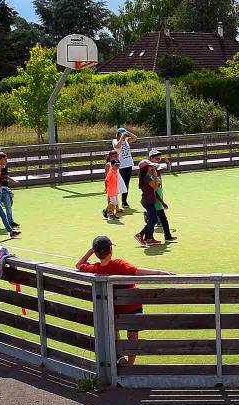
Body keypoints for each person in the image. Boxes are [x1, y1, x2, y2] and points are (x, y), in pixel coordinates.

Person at [75, 235, 173, 366]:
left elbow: (78, 265)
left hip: (113, 311)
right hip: (132, 309)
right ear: (110, 249)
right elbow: (137, 271)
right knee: (132, 337)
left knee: (113, 329)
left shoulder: (96, 269)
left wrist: (90, 251)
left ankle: (118, 359)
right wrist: (161, 272)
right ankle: (130, 364)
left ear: (96, 252)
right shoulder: (118, 264)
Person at [145, 149, 175, 242]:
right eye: (156, 158)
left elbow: (167, 170)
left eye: (159, 158)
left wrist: (168, 163)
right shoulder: (150, 174)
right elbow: (153, 191)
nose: (159, 159)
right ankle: (149, 237)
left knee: (156, 220)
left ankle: (166, 236)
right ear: (151, 158)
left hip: (158, 200)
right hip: (154, 201)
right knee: (156, 220)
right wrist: (162, 202)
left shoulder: (156, 171)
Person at [0, 151, 20, 230]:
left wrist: (13, 181)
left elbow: (6, 176)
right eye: (4, 159)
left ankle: (11, 222)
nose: (6, 160)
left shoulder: (5, 167)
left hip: (5, 189)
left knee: (8, 206)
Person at [113, 127, 137, 208]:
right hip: (121, 166)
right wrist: (121, 138)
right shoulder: (115, 141)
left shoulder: (127, 140)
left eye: (123, 134)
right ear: (118, 134)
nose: (123, 136)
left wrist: (127, 132)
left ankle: (124, 201)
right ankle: (115, 201)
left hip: (129, 164)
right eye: (121, 134)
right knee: (120, 183)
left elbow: (135, 138)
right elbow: (117, 146)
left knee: (126, 183)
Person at [102, 151, 122, 221]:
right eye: (115, 165)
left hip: (115, 189)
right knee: (113, 203)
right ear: (112, 165)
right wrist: (106, 188)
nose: (117, 167)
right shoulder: (110, 173)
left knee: (115, 202)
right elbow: (106, 180)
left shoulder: (116, 172)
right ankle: (110, 213)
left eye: (118, 165)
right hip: (111, 190)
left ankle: (107, 211)